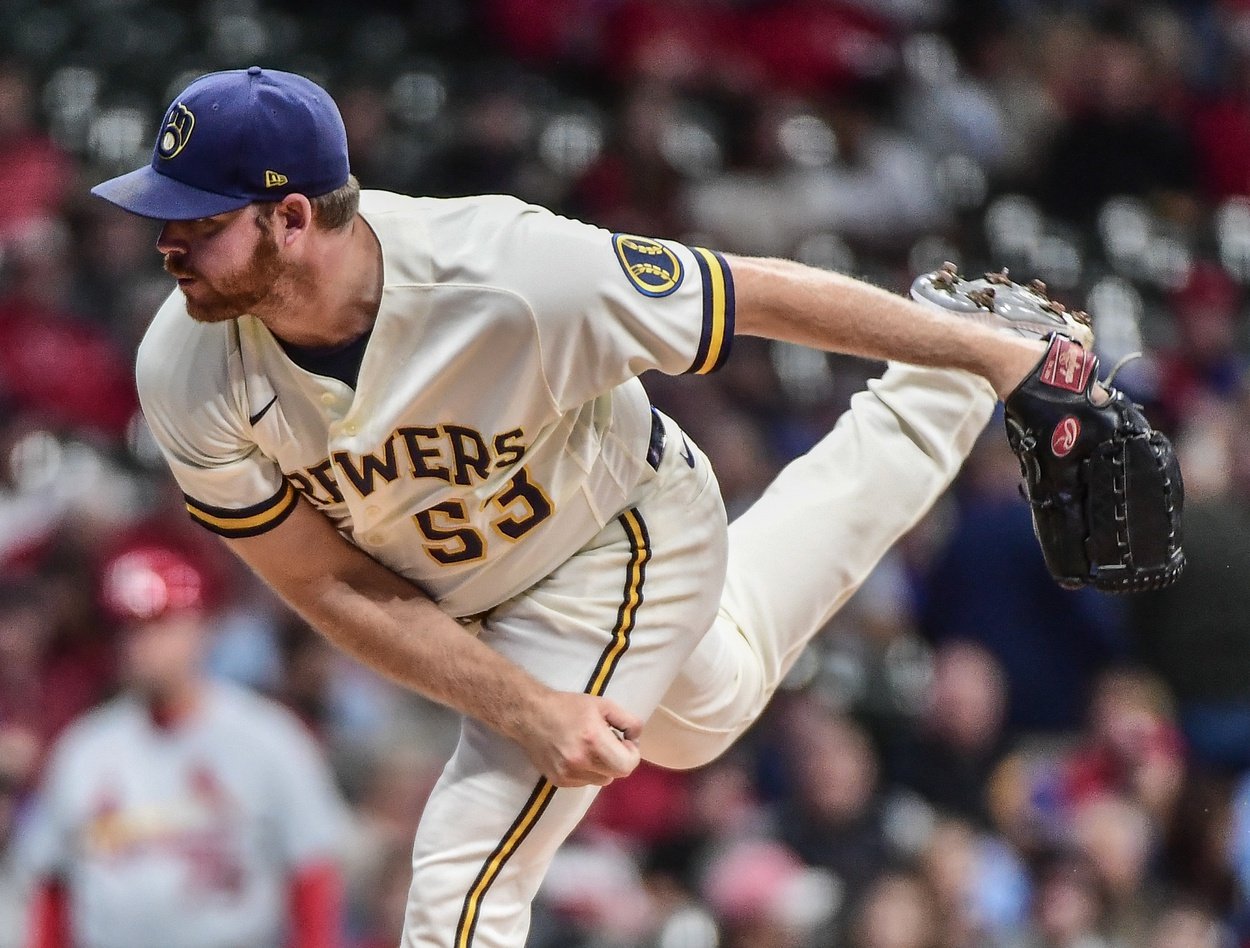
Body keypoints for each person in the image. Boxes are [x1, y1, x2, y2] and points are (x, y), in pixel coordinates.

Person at [89, 66, 1085, 948]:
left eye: (203, 221)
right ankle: (941, 391)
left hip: (616, 537)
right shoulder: (185, 368)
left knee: (460, 879)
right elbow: (325, 581)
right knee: (707, 710)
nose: (170, 244)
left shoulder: (504, 271)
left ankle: (966, 354)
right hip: (488, 597)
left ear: (294, 217)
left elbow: (753, 296)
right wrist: (523, 702)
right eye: (167, 218)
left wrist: (1001, 364)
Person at [19, 531, 349, 948]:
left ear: (202, 624)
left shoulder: (267, 737)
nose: (143, 645)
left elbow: (313, 873)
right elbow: (53, 885)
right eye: (130, 628)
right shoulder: (85, 748)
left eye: (160, 624)